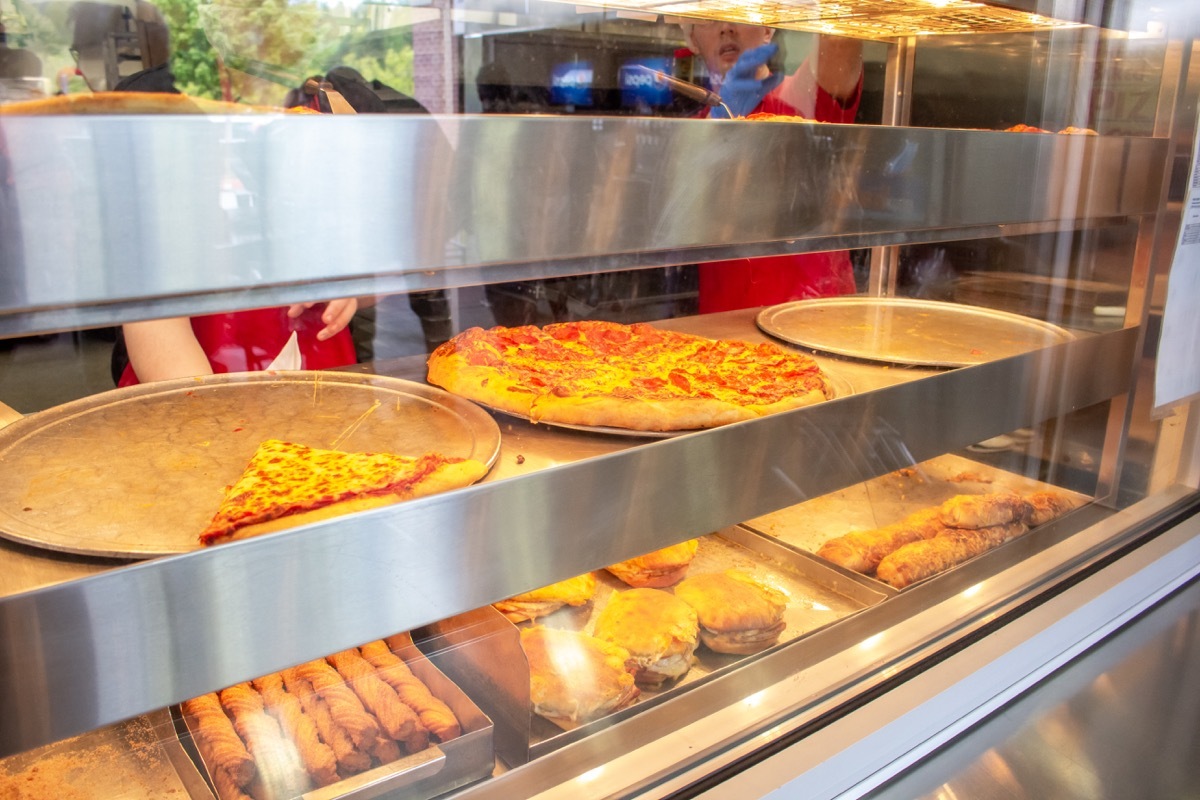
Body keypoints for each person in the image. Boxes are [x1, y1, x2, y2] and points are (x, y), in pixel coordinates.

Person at [680, 21, 864, 312]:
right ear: (691, 39)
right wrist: (716, 124)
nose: (726, 28)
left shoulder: (802, 95)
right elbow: (672, 219)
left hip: (813, 316)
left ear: (768, 29)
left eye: (741, 9)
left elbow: (840, 36)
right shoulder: (691, 131)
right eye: (710, 18)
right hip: (722, 328)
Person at [118, 302, 359, 385]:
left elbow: (379, 282)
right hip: (199, 385)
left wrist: (350, 289)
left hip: (325, 366)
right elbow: (181, 390)